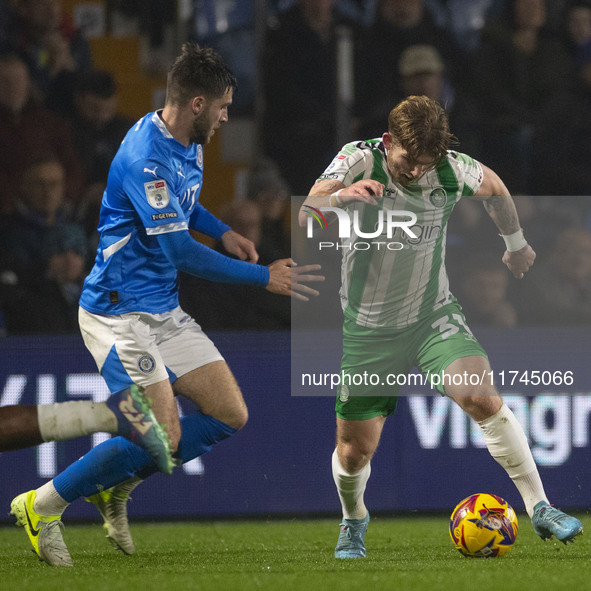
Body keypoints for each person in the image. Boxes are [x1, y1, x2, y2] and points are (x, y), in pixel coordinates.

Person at [8, 42, 322, 568]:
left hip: (161, 309)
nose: (226, 116)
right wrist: (260, 276)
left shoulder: (186, 140)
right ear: (197, 103)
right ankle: (42, 505)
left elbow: (184, 204)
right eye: (222, 106)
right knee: (162, 432)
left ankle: (115, 485)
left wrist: (221, 230)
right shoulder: (144, 158)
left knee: (228, 414)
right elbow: (177, 251)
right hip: (118, 313)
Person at [298, 95, 582, 559]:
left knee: (482, 398)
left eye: (425, 164)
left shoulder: (451, 168)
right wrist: (340, 197)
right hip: (369, 330)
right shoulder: (358, 157)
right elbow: (307, 214)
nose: (415, 173)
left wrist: (514, 243)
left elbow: (495, 189)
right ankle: (354, 521)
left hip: (433, 317)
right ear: (389, 141)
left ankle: (541, 507)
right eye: (408, 161)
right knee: (354, 452)